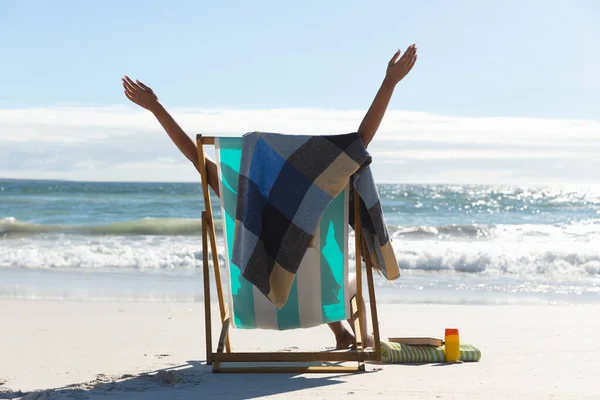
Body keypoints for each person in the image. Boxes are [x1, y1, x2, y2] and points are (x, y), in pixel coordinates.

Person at [122, 44, 418, 350]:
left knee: (294, 261)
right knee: (329, 270)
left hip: (257, 301)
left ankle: (343, 335)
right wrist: (389, 82)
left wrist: (156, 107)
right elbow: (361, 142)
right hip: (318, 300)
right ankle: (357, 336)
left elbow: (194, 157)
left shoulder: (241, 203)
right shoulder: (320, 198)